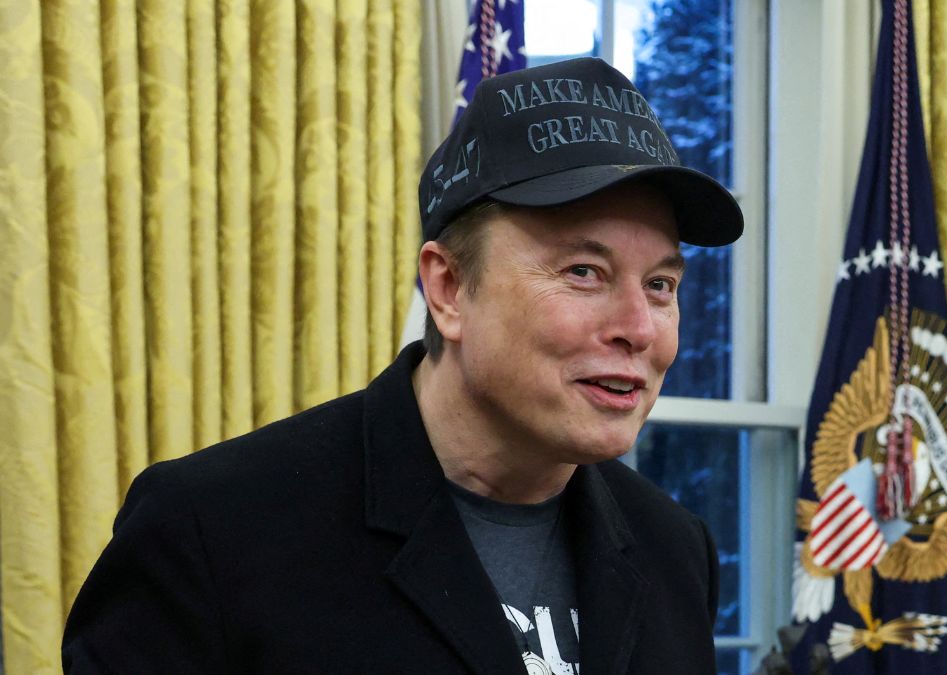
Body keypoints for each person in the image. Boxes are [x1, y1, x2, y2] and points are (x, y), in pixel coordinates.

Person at [62, 57, 743, 674]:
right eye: (585, 271)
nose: (638, 328)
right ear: (447, 289)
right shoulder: (211, 532)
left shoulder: (675, 550)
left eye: (661, 285)